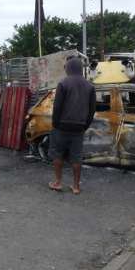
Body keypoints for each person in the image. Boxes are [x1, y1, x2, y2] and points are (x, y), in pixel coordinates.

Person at [48, 58, 95, 195]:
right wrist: (85, 125)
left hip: (61, 126)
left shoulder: (63, 83)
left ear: (68, 68)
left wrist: (55, 123)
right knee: (76, 157)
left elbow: (57, 107)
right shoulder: (89, 86)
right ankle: (75, 187)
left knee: (57, 154)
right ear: (80, 69)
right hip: (79, 127)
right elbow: (92, 110)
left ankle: (58, 182)